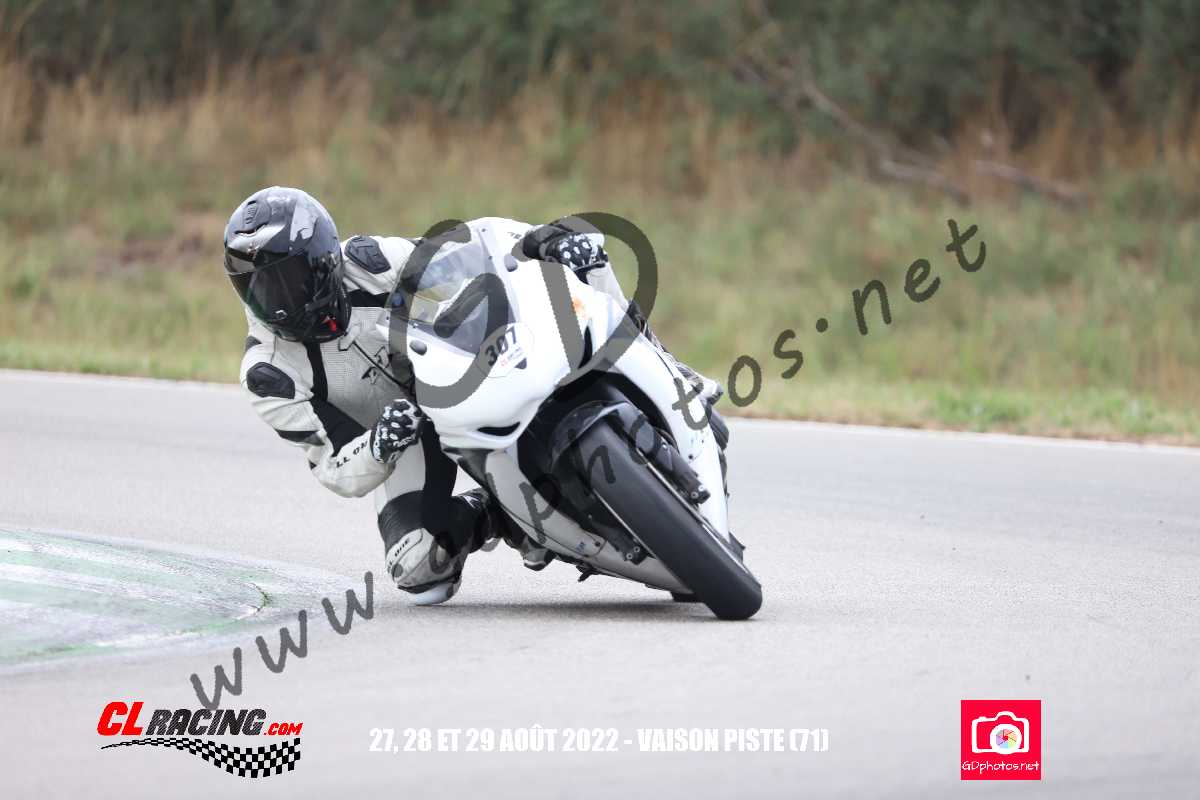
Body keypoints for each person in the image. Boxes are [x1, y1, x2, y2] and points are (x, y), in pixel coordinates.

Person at [222, 186, 720, 604]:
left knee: (582, 252)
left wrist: (537, 241)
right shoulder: (269, 373)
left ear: (323, 259)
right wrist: (380, 443)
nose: (278, 302)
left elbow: (462, 253)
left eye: (287, 281)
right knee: (418, 570)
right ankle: (498, 515)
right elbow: (332, 467)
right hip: (405, 435)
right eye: (258, 289)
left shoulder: (366, 261)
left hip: (456, 367)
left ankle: (671, 369)